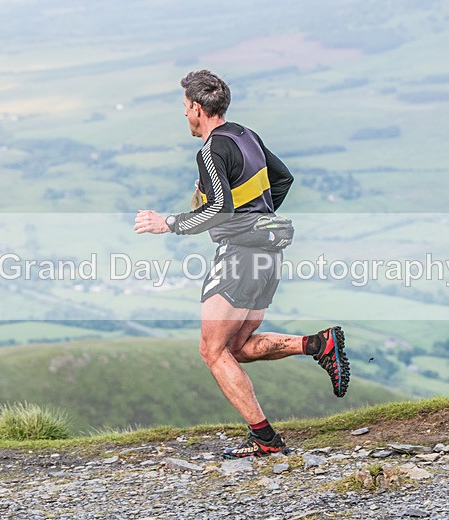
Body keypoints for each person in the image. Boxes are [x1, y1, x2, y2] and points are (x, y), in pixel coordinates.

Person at [134, 70, 349, 458]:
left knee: (212, 351)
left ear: (197, 108)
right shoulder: (245, 135)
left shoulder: (212, 150)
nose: (184, 115)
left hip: (240, 258)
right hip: (268, 256)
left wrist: (167, 223)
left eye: (185, 108)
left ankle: (265, 439)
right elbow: (282, 179)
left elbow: (218, 209)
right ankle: (318, 344)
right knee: (236, 347)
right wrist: (260, 222)